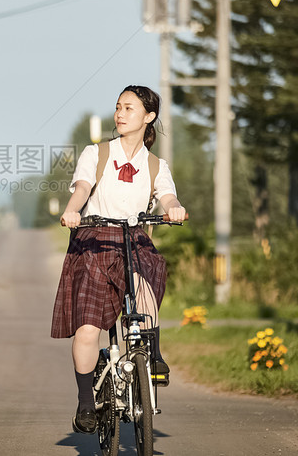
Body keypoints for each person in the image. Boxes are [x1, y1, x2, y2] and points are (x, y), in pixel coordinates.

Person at [50, 85, 187, 435]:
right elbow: (82, 188)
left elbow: (168, 196)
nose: (120, 114)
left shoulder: (156, 165)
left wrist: (174, 210)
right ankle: (85, 403)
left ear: (149, 116)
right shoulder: (96, 154)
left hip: (134, 239)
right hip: (94, 241)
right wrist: (71, 211)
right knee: (87, 330)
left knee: (148, 280)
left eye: (129, 108)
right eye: (118, 107)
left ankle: (151, 351)